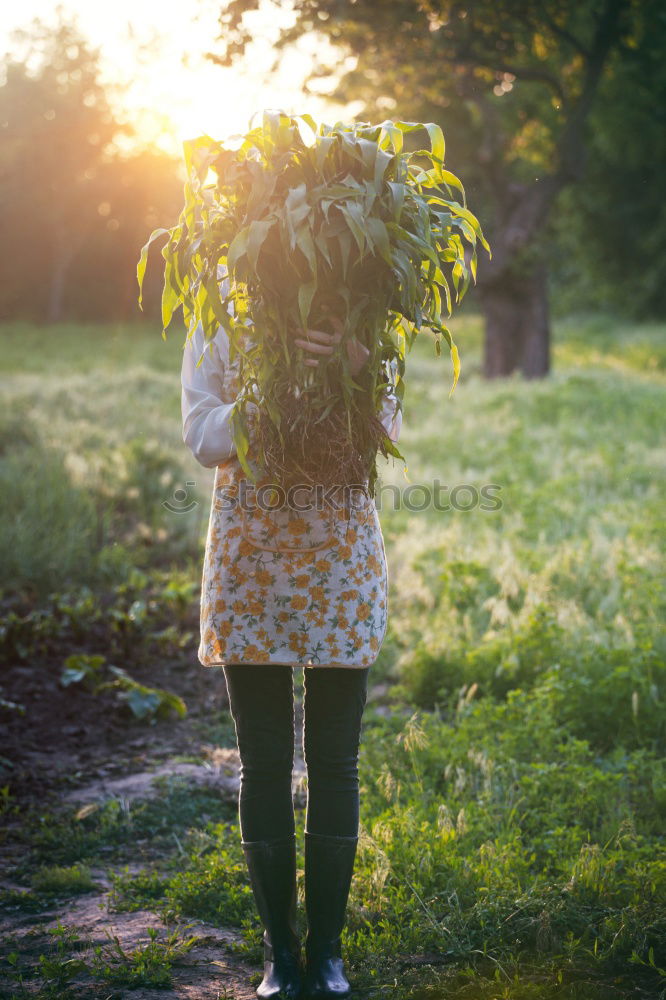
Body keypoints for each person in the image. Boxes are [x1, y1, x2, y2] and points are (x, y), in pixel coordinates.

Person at [180, 279, 402, 999]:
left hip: (338, 562)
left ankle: (329, 953)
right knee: (264, 762)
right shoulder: (217, 310)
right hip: (251, 562)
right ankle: (280, 954)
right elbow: (202, 435)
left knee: (337, 762)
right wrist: (269, 393)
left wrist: (356, 365)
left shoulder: (361, 309)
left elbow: (391, 432)